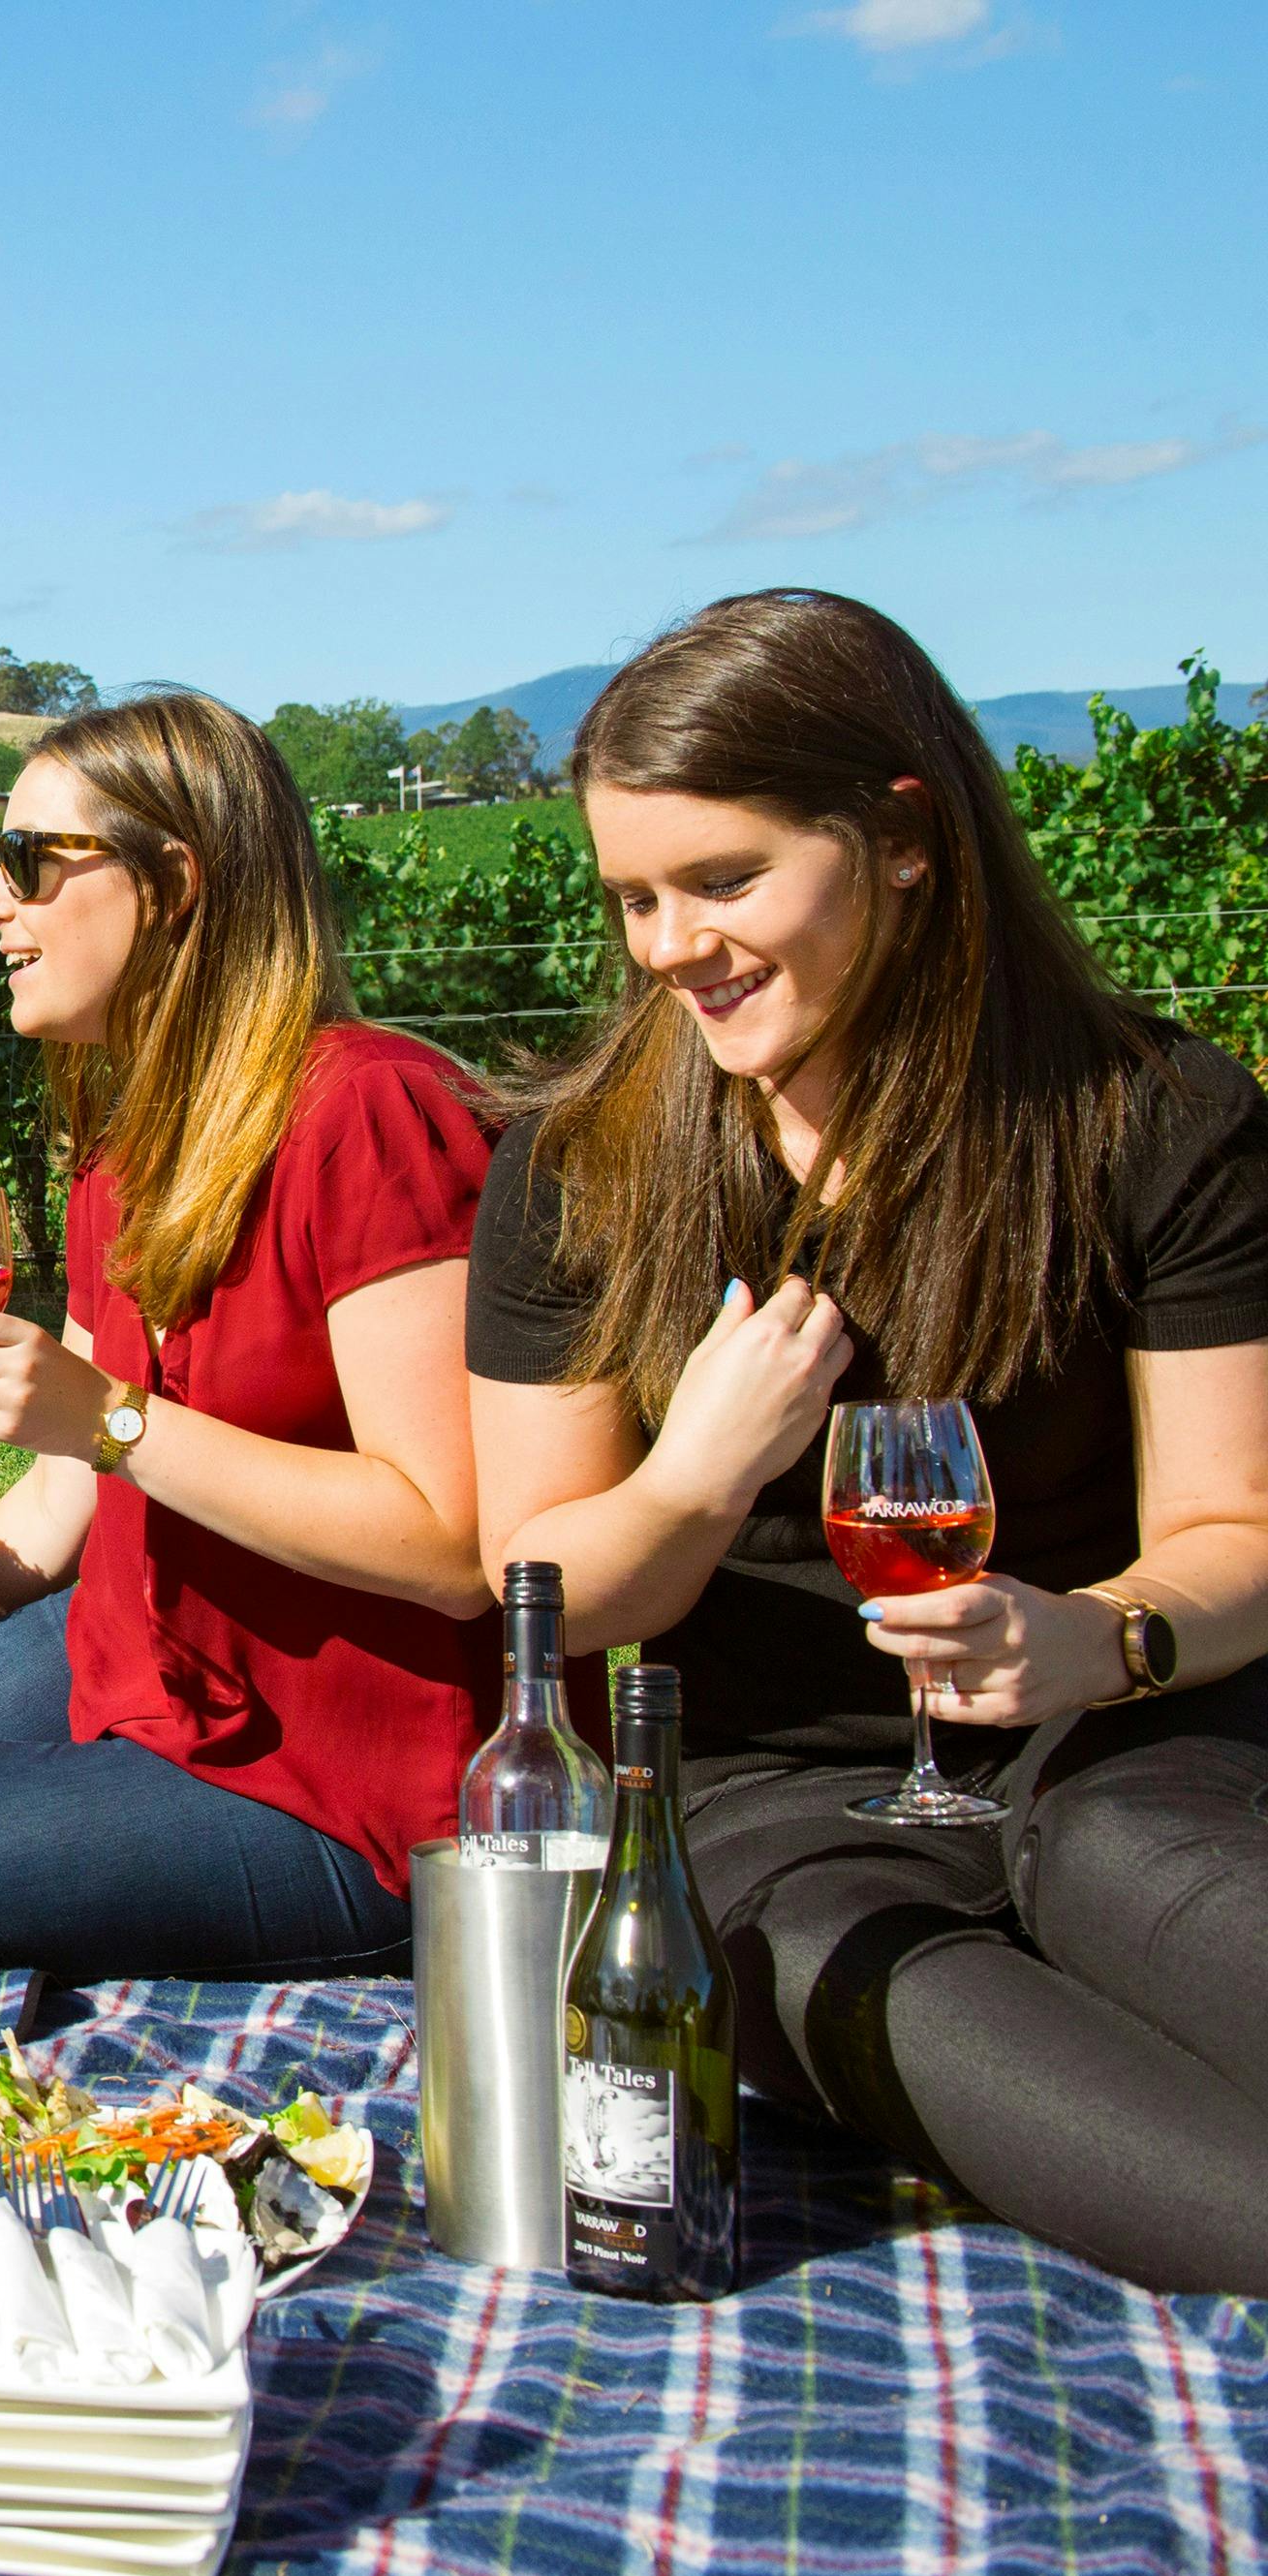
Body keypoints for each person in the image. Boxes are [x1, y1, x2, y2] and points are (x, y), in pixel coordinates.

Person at [468, 588, 1268, 2295]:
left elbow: (1238, 1532)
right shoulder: (582, 1171)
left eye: (725, 882)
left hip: (1110, 1747)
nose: (670, 945)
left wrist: (1096, 1637)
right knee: (1171, 2170)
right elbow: (541, 1587)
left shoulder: (1155, 1121)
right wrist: (695, 1473)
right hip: (768, 1807)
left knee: (1143, 1863)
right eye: (634, 898)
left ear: (902, 839)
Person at [0, 693, 502, 1982]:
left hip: (344, 1779)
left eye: (27, 863)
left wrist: (114, 1418)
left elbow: (454, 1540)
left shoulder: (374, 1112)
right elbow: (72, 1476)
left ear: (174, 881)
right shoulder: (129, 1157)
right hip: (152, 1662)